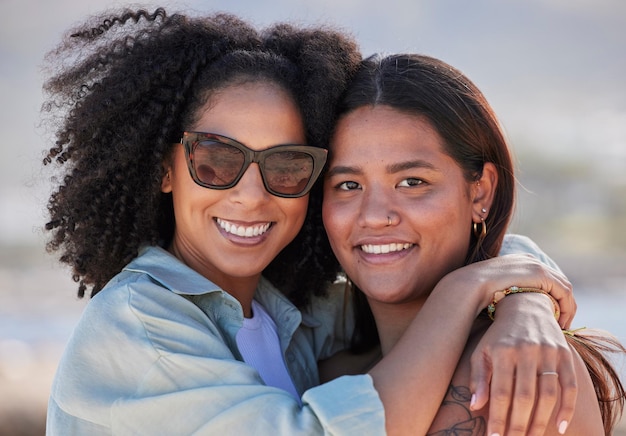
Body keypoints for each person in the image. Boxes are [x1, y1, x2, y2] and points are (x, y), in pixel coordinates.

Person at [41, 8, 579, 435]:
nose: (251, 196)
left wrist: (521, 303)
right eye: (217, 160)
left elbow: (430, 258)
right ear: (166, 169)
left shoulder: (294, 312)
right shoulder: (142, 329)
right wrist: (471, 291)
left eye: (287, 166)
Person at [322, 53, 626, 435]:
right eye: (348, 185)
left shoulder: (517, 371)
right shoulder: (323, 376)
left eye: (412, 182)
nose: (374, 215)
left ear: (480, 192)